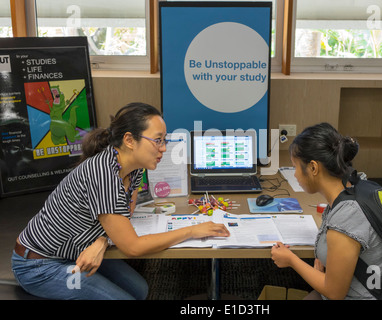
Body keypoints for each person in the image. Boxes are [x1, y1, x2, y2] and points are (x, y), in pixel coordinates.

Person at [11, 102, 230, 300]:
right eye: (157, 140)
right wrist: (192, 230)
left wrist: (102, 241)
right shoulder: (103, 175)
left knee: (140, 290)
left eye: (164, 140)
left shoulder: (131, 168)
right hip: (40, 265)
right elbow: (132, 247)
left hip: (76, 252)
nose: (163, 148)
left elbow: (126, 212)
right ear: (129, 140)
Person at [271, 122, 382, 300]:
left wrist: (291, 260)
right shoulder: (355, 186)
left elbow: (334, 293)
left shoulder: (347, 217)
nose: (294, 174)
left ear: (313, 168)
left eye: (295, 167)